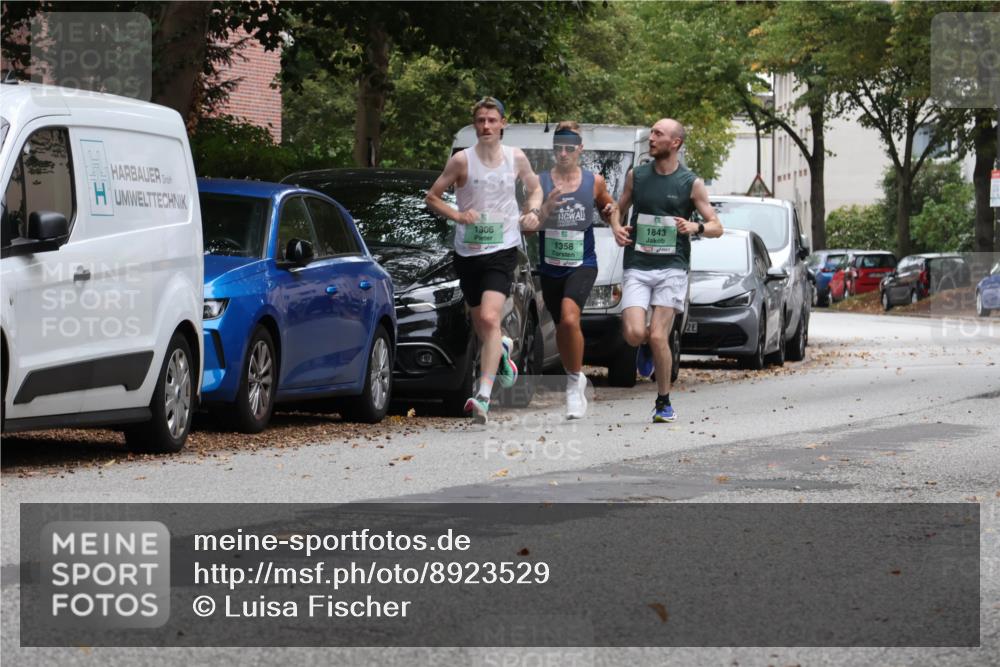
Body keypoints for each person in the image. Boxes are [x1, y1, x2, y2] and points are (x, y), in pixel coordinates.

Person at [426, 96, 543, 424]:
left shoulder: (515, 158)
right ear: (474, 124)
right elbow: (432, 197)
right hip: (468, 252)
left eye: (492, 120)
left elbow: (535, 189)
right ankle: (502, 349)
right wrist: (458, 215)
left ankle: (483, 395)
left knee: (491, 318)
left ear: (503, 123)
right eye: (481, 121)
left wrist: (531, 211)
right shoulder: (462, 161)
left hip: (502, 249)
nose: (486, 126)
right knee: (482, 324)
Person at [612, 118, 722, 423]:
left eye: (658, 134)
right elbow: (618, 209)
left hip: (673, 267)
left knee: (660, 336)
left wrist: (695, 226)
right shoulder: (638, 175)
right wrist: (617, 229)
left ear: (675, 143)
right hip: (638, 265)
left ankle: (663, 402)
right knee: (635, 334)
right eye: (652, 133)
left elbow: (717, 226)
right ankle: (645, 346)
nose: (652, 138)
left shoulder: (691, 183)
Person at [531, 121, 618, 419]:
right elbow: (528, 226)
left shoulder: (594, 181)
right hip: (551, 267)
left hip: (583, 263)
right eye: (559, 147)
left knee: (570, 319)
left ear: (580, 149)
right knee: (561, 329)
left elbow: (611, 209)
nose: (564, 153)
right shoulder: (540, 182)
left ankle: (572, 384)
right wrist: (544, 210)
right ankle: (575, 375)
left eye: (570, 147)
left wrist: (612, 218)